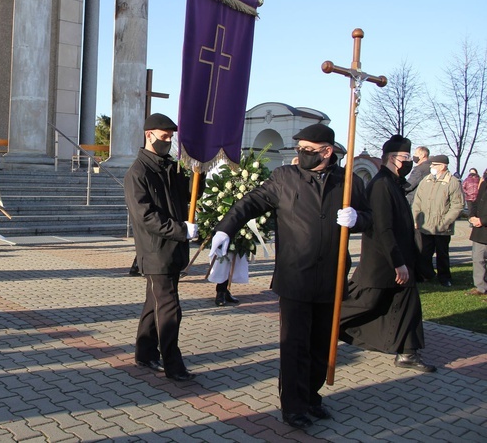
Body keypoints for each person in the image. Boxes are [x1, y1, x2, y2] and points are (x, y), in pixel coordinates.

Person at [209, 123, 372, 430]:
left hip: (331, 277)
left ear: (326, 151)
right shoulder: (285, 178)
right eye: (298, 149)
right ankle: (293, 406)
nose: (299, 154)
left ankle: (312, 396)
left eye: (307, 150)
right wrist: (225, 228)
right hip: (296, 276)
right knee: (294, 345)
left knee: (322, 344)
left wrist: (357, 219)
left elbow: (370, 217)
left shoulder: (347, 182)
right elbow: (250, 203)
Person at [339, 135, 436, 374]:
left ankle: (407, 352)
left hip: (400, 258)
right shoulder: (381, 184)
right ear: (392, 158)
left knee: (407, 304)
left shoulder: (393, 182)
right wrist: (397, 263)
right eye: (406, 158)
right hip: (382, 262)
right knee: (364, 302)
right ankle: (322, 324)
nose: (409, 162)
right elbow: (383, 227)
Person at [125, 113, 198, 382]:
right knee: (169, 307)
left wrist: (196, 176)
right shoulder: (138, 172)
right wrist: (181, 230)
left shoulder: (172, 167)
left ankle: (145, 352)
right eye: (164, 137)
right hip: (156, 250)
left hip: (174, 248)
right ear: (149, 135)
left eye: (171, 137)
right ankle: (173, 363)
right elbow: (145, 217)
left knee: (153, 302)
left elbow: (189, 196)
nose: (168, 141)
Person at [411, 155, 464, 287]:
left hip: (442, 227)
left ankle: (444, 277)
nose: (431, 167)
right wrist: (416, 218)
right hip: (426, 225)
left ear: (443, 166)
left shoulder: (452, 182)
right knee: (424, 253)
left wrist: (445, 222)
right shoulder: (426, 180)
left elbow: (457, 205)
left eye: (434, 165)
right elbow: (417, 201)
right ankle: (427, 275)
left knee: (442, 254)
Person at [467, 177, 487, 296]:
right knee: (478, 258)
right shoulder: (484, 184)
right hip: (479, 230)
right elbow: (476, 201)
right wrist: (472, 216)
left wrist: (483, 221)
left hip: (483, 223)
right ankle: (481, 287)